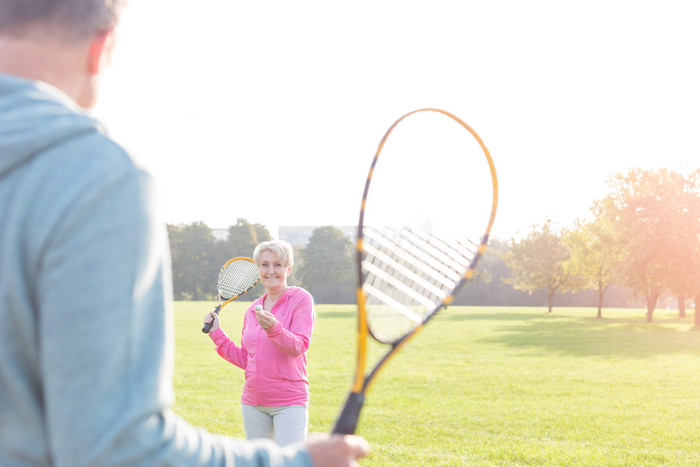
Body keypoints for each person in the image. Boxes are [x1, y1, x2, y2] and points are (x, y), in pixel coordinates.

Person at [0, 1, 368, 466]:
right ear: (101, 48)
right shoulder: (97, 179)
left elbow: (292, 348)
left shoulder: (296, 303)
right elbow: (119, 448)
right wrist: (297, 462)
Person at [203, 241, 314, 446]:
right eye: (264, 264)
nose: (271, 271)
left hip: (289, 402)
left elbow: (299, 346)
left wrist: (274, 328)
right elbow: (247, 359)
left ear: (288, 268)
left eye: (278, 265)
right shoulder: (253, 309)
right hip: (253, 402)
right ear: (258, 269)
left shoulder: (300, 299)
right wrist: (217, 333)